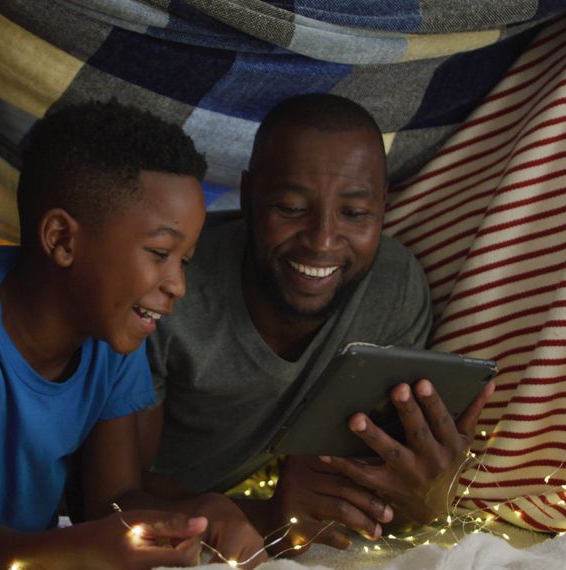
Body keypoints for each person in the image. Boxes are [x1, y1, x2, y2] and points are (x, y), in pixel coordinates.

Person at [0, 100, 265, 570]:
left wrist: (192, 514)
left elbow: (112, 498)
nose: (177, 284)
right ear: (62, 239)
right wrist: (80, 550)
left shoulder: (111, 330)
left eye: (185, 260)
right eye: (160, 252)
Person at [142, 93, 496, 551]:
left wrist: (425, 493)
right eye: (291, 208)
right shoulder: (172, 288)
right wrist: (269, 513)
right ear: (249, 196)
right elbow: (111, 496)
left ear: (383, 207)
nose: (322, 241)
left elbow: (382, 483)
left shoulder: (392, 289)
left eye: (354, 214)